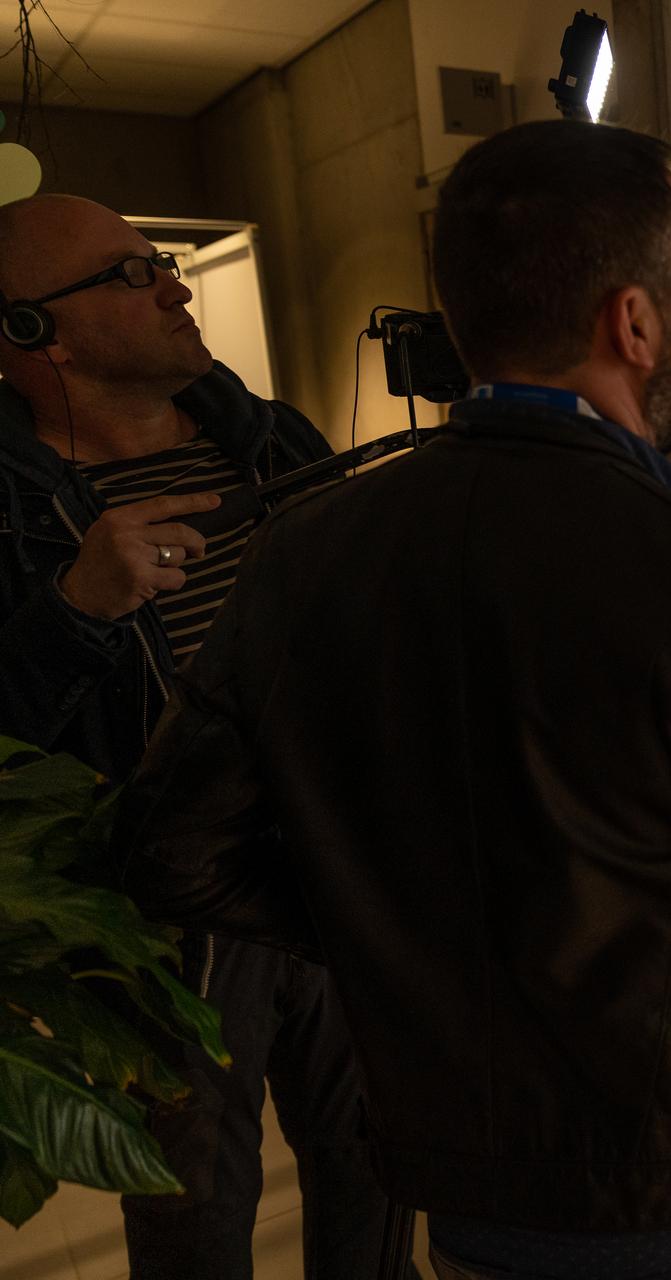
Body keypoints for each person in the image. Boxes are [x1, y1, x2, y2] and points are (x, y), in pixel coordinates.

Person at [113, 120, 671, 1280]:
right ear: (633, 322)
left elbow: (171, 846)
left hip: (472, 1219)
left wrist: (396, 920)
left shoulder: (302, 559)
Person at [0, 195, 398, 1277]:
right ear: (37, 332)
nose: (173, 283)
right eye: (131, 273)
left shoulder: (272, 439)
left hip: (334, 874)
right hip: (162, 921)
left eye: (162, 259)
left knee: (378, 1184)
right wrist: (75, 611)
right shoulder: (12, 513)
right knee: (195, 1228)